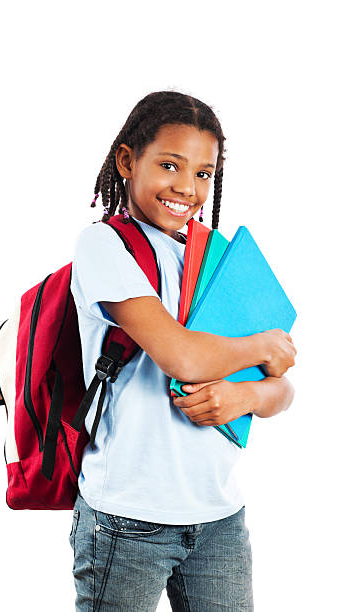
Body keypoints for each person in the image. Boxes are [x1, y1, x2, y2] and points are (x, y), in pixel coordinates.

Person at [69, 90, 296, 611]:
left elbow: (284, 389)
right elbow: (182, 357)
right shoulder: (104, 247)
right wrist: (263, 347)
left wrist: (250, 397)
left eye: (203, 173)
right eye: (170, 165)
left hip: (219, 518)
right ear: (127, 161)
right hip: (127, 518)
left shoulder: (216, 257)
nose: (187, 188)